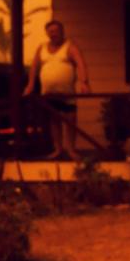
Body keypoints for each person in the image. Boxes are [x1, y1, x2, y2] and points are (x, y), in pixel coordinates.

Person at [22, 19, 90, 160]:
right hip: (48, 93)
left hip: (67, 93)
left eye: (56, 31)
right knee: (54, 121)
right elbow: (34, 68)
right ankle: (58, 149)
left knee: (70, 120)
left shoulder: (70, 46)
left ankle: (71, 149)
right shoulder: (41, 48)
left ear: (62, 32)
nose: (54, 34)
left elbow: (81, 63)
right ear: (47, 33)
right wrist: (30, 85)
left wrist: (84, 82)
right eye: (51, 31)